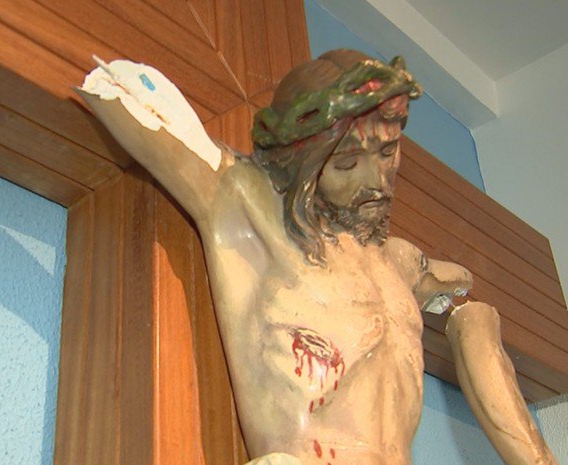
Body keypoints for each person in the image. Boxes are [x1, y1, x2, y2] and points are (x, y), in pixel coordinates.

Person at [79, 49, 557, 465]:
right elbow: (126, 98)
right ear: (301, 161)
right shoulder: (250, 209)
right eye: (347, 163)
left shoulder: (399, 264)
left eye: (387, 152)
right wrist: (113, 85)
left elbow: (460, 290)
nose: (376, 181)